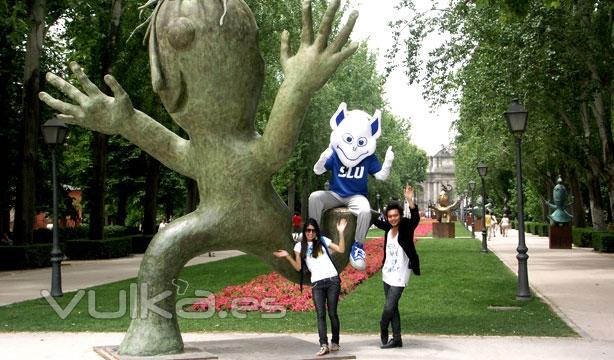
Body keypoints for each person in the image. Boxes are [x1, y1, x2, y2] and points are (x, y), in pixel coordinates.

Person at [310, 102, 394, 271]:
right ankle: (314, 240)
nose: (354, 146)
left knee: (364, 210)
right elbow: (317, 170)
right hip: (335, 194)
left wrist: (388, 163)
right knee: (314, 197)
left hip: (356, 196)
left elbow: (381, 176)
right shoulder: (335, 154)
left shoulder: (368, 158)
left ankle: (358, 246)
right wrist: (322, 158)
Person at [274, 217, 347, 356]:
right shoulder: (299, 246)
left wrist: (341, 233)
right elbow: (297, 267)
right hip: (317, 284)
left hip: (332, 281)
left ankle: (335, 341)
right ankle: (323, 344)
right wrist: (287, 256)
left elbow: (342, 249)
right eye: (308, 230)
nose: (310, 233)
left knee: (332, 313)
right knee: (320, 314)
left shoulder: (323, 241)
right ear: (304, 231)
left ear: (316, 231)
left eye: (313, 230)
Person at [372, 185, 421, 349]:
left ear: (400, 216)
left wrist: (409, 199)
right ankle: (397, 338)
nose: (393, 218)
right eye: (390, 216)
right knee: (393, 307)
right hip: (387, 273)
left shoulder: (406, 227)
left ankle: (383, 326)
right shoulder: (388, 228)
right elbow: (375, 220)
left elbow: (415, 218)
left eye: (395, 216)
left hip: (401, 274)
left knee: (389, 307)